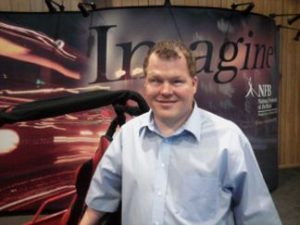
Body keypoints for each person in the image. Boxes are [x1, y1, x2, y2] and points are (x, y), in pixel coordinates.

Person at [80, 40, 282, 225]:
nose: (166, 91)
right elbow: (98, 204)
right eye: (156, 81)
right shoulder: (127, 136)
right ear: (146, 84)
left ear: (193, 84)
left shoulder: (228, 138)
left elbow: (259, 217)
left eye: (177, 81)